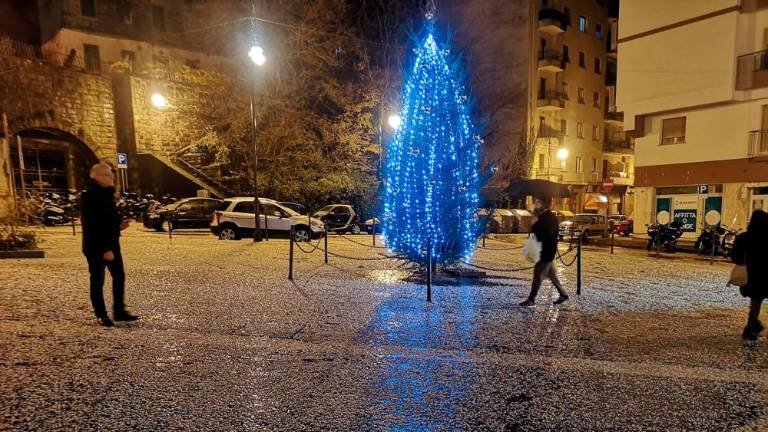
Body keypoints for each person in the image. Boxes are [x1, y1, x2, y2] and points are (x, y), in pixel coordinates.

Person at [81, 163, 138, 327]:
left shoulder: (106, 194)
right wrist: (105, 249)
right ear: (96, 177)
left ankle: (119, 311)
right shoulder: (90, 196)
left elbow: (108, 220)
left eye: (111, 175)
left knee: (119, 276)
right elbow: (93, 225)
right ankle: (101, 314)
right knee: (98, 280)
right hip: (97, 247)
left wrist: (119, 225)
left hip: (112, 243)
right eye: (107, 175)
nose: (112, 178)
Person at [520, 196, 569, 307]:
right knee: (551, 274)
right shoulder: (542, 216)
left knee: (538, 274)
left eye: (538, 201)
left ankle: (531, 299)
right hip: (546, 251)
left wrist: (535, 224)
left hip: (546, 252)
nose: (535, 204)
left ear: (543, 204)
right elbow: (535, 233)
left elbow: (545, 234)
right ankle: (563, 294)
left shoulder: (549, 217)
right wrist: (534, 223)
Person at [731, 210, 768, 340]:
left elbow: (735, 257)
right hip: (765, 275)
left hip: (751, 277)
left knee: (756, 302)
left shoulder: (743, 238)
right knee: (756, 302)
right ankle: (751, 327)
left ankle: (752, 327)